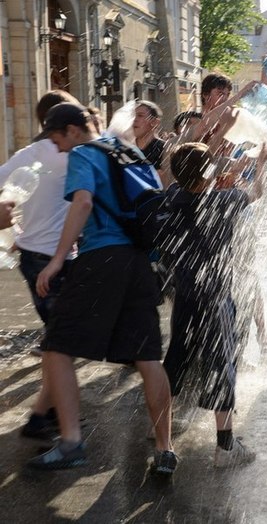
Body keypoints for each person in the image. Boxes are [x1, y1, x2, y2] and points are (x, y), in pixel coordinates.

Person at [30, 102, 175, 473]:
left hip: (102, 257)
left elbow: (82, 203)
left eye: (57, 139)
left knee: (56, 347)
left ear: (72, 131)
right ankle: (164, 449)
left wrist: (59, 258)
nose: (58, 147)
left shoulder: (82, 153)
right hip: (140, 263)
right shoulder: (129, 151)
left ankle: (70, 443)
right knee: (147, 357)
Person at [160, 141, 267, 468]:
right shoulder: (223, 200)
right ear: (208, 172)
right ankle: (225, 446)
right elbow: (257, 191)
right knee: (221, 362)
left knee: (177, 356)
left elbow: (174, 177)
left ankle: (160, 433)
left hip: (184, 293)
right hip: (215, 294)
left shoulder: (167, 200)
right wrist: (260, 162)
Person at [0, 90, 80, 440]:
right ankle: (46, 416)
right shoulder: (67, 155)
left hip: (32, 258)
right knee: (63, 342)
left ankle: (48, 412)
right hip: (53, 260)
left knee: (59, 338)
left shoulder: (24, 155)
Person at [133, 100, 166, 174]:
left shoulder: (164, 149)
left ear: (154, 122)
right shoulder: (126, 149)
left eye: (140, 115)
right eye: (133, 116)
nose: (134, 119)